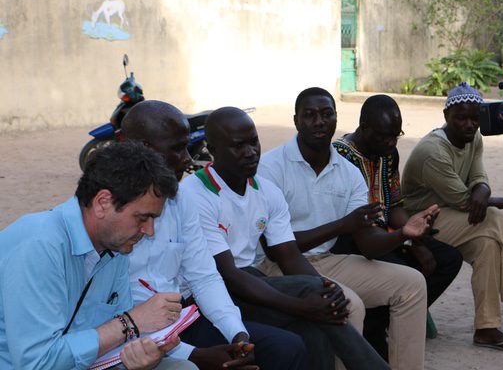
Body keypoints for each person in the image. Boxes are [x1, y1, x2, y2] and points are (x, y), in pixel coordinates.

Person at [179, 106, 388, 370]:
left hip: (250, 282)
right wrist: (305, 304)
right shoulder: (195, 194)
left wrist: (325, 287)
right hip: (212, 291)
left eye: (253, 141)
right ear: (213, 148)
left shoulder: (266, 190)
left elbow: (288, 255)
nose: (251, 151)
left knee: (316, 323)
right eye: (238, 145)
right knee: (313, 299)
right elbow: (226, 275)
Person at [121, 101, 307, 370]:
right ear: (143, 149)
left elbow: (204, 277)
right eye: (177, 148)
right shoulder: (111, 214)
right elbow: (117, 321)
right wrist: (195, 355)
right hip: (140, 335)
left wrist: (237, 334)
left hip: (187, 318)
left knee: (288, 347)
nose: (187, 158)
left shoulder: (179, 200)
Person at [258, 87, 434, 370]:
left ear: (336, 119)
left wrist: (404, 233)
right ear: (296, 120)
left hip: (327, 261)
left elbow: (367, 243)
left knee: (412, 283)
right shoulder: (271, 167)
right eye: (310, 115)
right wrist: (341, 226)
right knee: (349, 304)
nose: (319, 122)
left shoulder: (348, 173)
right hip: (276, 267)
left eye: (326, 114)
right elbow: (277, 249)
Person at [0, 141, 197, 369]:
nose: (149, 231)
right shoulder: (40, 245)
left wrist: (143, 353)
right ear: (103, 202)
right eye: (142, 218)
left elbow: (115, 339)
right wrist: (129, 323)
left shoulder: (116, 248)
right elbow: (37, 363)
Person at [401, 82, 503, 355]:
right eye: (460, 118)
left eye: (474, 118)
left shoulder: (473, 137)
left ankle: (486, 328)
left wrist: (484, 190)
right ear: (445, 116)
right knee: (493, 217)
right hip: (422, 222)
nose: (469, 124)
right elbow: (464, 200)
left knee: (487, 245)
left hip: (454, 217)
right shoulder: (433, 152)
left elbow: (478, 180)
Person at [331, 94, 463, 359]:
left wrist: (416, 233)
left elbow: (395, 206)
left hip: (387, 236)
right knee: (402, 270)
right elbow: (356, 225)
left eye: (396, 135)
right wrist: (406, 241)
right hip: (353, 240)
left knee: (448, 259)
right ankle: (373, 330)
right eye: (384, 136)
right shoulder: (342, 156)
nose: (391, 142)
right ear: (364, 127)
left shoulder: (387, 153)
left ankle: (389, 322)